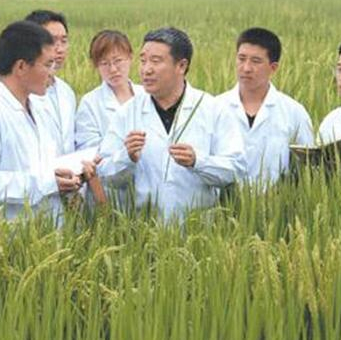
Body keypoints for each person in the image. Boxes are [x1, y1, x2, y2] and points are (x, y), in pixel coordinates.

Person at [98, 27, 245, 218]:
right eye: (143, 61)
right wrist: (127, 157)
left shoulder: (213, 110)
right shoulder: (127, 112)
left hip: (199, 228)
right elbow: (105, 174)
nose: (146, 69)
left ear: (181, 66)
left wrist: (197, 161)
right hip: (143, 228)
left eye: (156, 61)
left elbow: (236, 169)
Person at [0, 21, 91, 220]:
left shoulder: (40, 109)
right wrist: (44, 183)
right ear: (21, 66)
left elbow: (47, 166)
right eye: (47, 64)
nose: (51, 72)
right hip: (9, 230)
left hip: (49, 226)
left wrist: (68, 176)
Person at [216, 28, 313, 186]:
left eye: (256, 61)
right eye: (241, 59)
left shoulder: (294, 112)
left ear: (273, 68)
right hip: (224, 200)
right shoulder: (215, 107)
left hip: (276, 200)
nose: (246, 68)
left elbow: (307, 167)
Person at [75, 30, 144, 150]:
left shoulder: (147, 95)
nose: (113, 69)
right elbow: (88, 147)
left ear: (130, 58)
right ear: (96, 66)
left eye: (118, 61)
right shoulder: (90, 103)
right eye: (104, 63)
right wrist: (125, 151)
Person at [25, 10, 76, 154]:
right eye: (52, 41)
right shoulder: (21, 94)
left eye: (64, 41)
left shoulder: (66, 91)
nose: (60, 49)